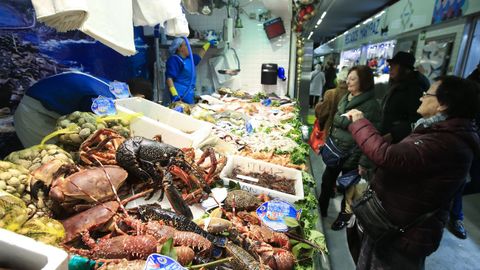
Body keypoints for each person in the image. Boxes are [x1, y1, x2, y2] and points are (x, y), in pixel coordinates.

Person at [344, 76, 480, 269]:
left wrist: (359, 122)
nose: (421, 98)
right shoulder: (438, 131)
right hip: (390, 224)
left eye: (427, 94)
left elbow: (386, 155)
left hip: (404, 235)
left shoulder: (445, 142)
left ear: (443, 105)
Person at [318, 66, 381, 231]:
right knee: (327, 181)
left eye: (353, 79)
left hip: (354, 154)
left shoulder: (372, 106)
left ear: (364, 82)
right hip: (336, 149)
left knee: (349, 189)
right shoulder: (346, 96)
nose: (348, 81)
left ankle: (343, 218)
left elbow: (372, 137)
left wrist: (364, 162)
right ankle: (320, 209)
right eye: (348, 78)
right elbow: (337, 119)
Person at [14, 71, 117, 147]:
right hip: (33, 111)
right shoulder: (102, 100)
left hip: (51, 102)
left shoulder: (116, 88)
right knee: (54, 158)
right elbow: (112, 128)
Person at [381, 51, 429, 144]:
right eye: (391, 66)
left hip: (397, 141)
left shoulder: (414, 89)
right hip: (386, 136)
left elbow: (416, 119)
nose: (391, 69)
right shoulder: (396, 85)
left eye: (395, 66)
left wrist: (394, 134)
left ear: (406, 69)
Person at [165, 37, 213, 104]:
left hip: (189, 94)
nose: (188, 47)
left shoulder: (189, 59)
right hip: (179, 94)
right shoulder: (175, 60)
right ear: (179, 48)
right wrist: (174, 94)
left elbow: (200, 56)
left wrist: (208, 44)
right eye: (186, 45)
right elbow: (169, 78)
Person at [314, 68, 348, 138]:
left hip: (330, 131)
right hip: (347, 134)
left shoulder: (330, 93)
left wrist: (318, 106)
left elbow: (322, 113)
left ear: (338, 80)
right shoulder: (353, 94)